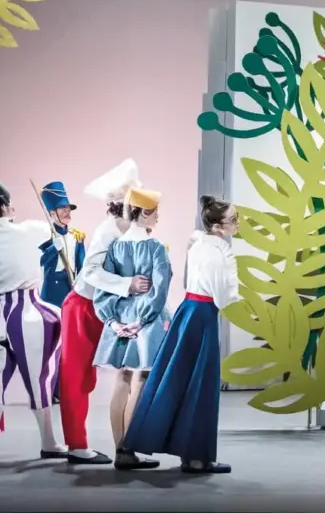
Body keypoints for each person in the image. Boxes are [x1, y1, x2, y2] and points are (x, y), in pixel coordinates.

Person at [123, 195, 241, 474]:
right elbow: (224, 296)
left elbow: (191, 281)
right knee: (202, 384)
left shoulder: (198, 244)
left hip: (188, 310)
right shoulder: (220, 252)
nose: (237, 224)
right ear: (217, 226)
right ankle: (197, 457)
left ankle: (176, 450)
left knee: (175, 378)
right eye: (233, 220)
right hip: (204, 314)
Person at [0, 170, 68, 462]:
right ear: (6, 206)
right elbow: (53, 230)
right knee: (40, 380)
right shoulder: (31, 229)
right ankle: (49, 442)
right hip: (29, 310)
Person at [60, 159, 150, 466]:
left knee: (126, 374)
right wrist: (128, 284)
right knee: (78, 378)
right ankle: (77, 445)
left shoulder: (129, 230)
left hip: (108, 308)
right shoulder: (108, 231)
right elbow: (91, 272)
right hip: (83, 307)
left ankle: (125, 449)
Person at [94, 186, 173, 470]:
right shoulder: (156, 248)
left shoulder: (115, 247)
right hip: (144, 322)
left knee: (122, 379)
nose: (158, 217)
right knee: (140, 379)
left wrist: (113, 322)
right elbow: (160, 291)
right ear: (146, 213)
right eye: (156, 212)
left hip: (119, 318)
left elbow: (102, 288)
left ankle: (119, 449)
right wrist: (141, 321)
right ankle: (128, 450)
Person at [38, 181, 86, 307]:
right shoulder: (45, 234)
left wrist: (80, 284)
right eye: (62, 208)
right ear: (52, 213)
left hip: (71, 287)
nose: (67, 212)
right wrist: (53, 248)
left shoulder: (77, 236)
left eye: (68, 209)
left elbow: (82, 265)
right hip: (51, 291)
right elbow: (39, 261)